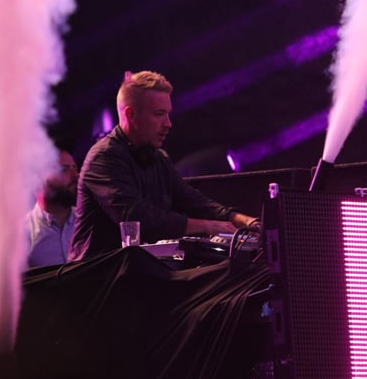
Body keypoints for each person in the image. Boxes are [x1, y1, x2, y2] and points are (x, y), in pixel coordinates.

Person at [68, 70, 259, 261]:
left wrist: (244, 221)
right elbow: (137, 220)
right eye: (159, 114)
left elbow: (193, 201)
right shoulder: (104, 157)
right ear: (131, 114)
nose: (168, 124)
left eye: (167, 114)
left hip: (134, 269)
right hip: (97, 273)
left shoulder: (156, 157)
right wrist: (209, 226)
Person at [24, 147, 79, 268]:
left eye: (75, 168)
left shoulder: (87, 222)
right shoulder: (22, 233)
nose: (76, 175)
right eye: (64, 169)